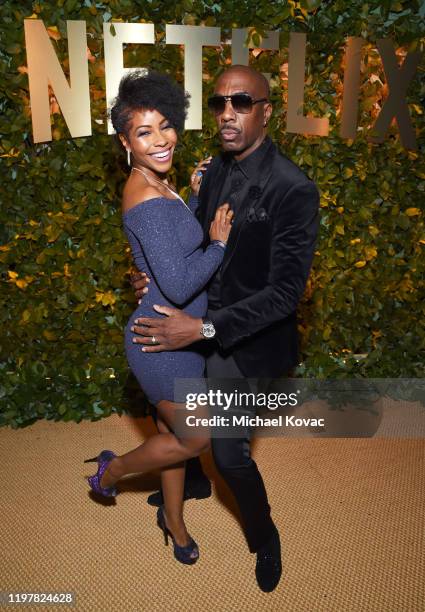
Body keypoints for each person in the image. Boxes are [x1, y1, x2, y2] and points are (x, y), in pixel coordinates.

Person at [130, 64, 320, 591]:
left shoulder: (294, 189)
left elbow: (284, 296)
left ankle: (265, 538)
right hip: (190, 317)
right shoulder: (213, 169)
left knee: (232, 456)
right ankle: (190, 479)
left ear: (266, 111)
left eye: (241, 102)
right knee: (177, 411)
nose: (228, 113)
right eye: (219, 103)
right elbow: (191, 244)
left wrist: (203, 330)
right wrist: (149, 273)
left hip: (242, 339)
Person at [84, 69, 233, 565]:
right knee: (197, 437)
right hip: (158, 343)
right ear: (125, 141)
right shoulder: (144, 195)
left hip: (181, 336)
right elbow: (181, 281)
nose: (161, 139)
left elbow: (171, 244)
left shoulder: (159, 183)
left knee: (175, 440)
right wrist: (218, 243)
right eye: (144, 132)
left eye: (166, 125)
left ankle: (173, 520)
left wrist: (190, 196)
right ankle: (111, 472)